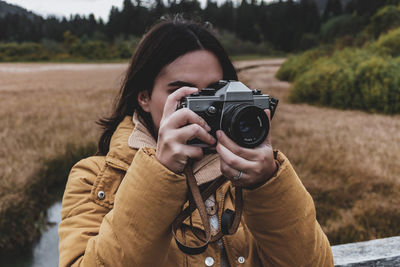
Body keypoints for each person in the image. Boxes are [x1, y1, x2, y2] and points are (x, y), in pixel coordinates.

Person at [58, 18, 333, 267]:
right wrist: (160, 172)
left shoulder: (247, 174)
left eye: (214, 93)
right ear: (143, 97)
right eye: (183, 93)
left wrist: (266, 184)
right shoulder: (94, 179)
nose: (198, 110)